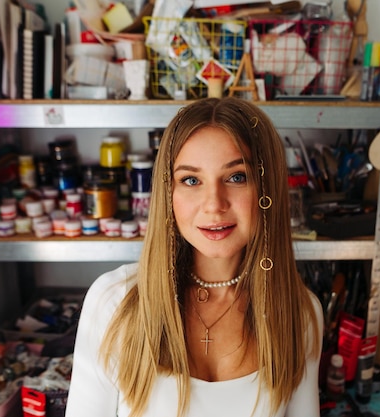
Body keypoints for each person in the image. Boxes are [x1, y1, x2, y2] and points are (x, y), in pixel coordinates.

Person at [65, 97, 324, 417]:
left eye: (237, 176)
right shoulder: (114, 300)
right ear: (168, 193)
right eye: (191, 180)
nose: (214, 204)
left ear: (267, 188)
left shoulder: (300, 313)